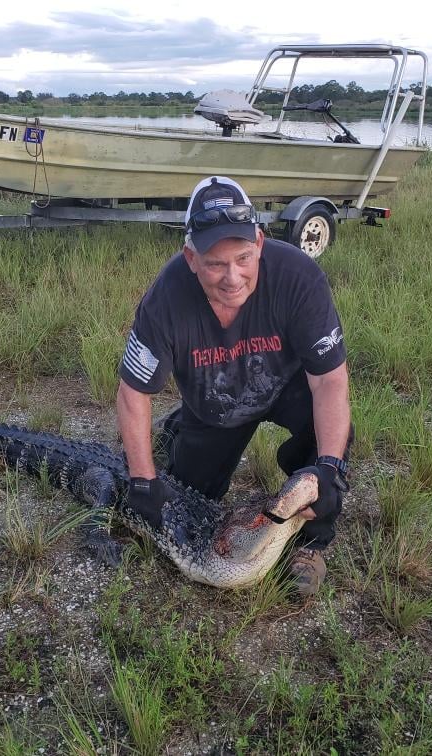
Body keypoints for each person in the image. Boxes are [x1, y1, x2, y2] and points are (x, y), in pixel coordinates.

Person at [116, 176, 352, 596]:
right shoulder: (164, 299)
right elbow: (133, 391)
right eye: (214, 263)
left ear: (259, 243)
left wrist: (331, 468)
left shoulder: (300, 278)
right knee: (190, 497)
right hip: (215, 404)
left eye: (244, 258)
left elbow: (330, 381)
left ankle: (312, 546)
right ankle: (180, 430)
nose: (232, 277)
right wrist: (142, 480)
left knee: (329, 448)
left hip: (286, 388)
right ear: (191, 257)